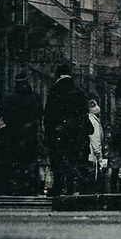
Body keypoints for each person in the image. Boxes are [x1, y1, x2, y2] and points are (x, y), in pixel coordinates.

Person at [43, 61, 90, 195]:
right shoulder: (78, 92)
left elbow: (49, 115)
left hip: (57, 133)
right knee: (72, 160)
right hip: (74, 134)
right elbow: (83, 114)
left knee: (57, 162)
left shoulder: (54, 91)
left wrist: (49, 133)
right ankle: (71, 187)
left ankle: (58, 187)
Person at [0, 73, 43, 194]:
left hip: (13, 138)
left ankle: (14, 186)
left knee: (14, 163)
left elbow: (3, 116)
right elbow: (39, 115)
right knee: (30, 162)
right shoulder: (35, 97)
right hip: (30, 137)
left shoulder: (9, 98)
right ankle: (30, 186)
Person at [85, 98, 108, 191]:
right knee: (94, 171)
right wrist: (98, 152)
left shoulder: (90, 119)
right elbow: (95, 138)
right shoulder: (94, 122)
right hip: (93, 151)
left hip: (90, 150)